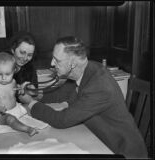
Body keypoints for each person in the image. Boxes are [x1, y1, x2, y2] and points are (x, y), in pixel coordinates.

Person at [18, 36, 148, 158]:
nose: (52, 63)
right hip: (98, 140)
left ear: (73, 63)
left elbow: (61, 120)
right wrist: (35, 94)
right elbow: (62, 94)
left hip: (123, 152)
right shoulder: (88, 68)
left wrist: (30, 103)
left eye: (57, 60)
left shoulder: (100, 86)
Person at [0, 52, 38, 136]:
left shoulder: (13, 81)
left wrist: (21, 90)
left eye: (8, 74)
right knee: (10, 119)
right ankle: (27, 129)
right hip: (2, 114)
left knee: (31, 106)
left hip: (16, 107)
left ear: (14, 71)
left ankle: (47, 118)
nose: (3, 78)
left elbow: (16, 90)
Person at [0, 31, 40, 107]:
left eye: (29, 55)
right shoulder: (1, 63)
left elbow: (36, 98)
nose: (25, 58)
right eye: (22, 52)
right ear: (12, 49)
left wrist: (33, 92)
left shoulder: (30, 67)